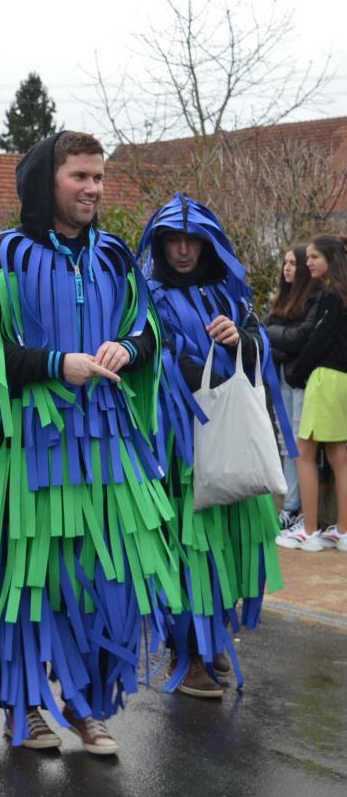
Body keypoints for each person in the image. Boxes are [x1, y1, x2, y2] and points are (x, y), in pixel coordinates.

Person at [0, 131, 179, 754]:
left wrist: (130, 348)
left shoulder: (116, 256)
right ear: (48, 179)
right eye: (80, 176)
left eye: (99, 177)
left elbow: (148, 331)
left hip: (108, 445)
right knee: (29, 582)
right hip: (32, 451)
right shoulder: (3, 254)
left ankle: (86, 706)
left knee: (109, 579)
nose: (93, 189)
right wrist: (56, 364)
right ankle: (25, 708)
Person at [137, 193, 288, 696]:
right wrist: (189, 379)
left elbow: (259, 345)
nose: (183, 250)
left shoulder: (231, 294)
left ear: (207, 243)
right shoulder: (146, 295)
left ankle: (212, 634)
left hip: (231, 440)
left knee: (229, 544)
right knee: (190, 548)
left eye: (192, 240)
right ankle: (188, 653)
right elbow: (147, 356)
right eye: (173, 241)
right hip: (181, 445)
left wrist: (239, 340)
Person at [279, 235, 347, 552]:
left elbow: (318, 340)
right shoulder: (342, 294)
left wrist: (296, 372)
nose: (308, 263)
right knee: (338, 456)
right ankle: (343, 531)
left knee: (304, 453)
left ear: (330, 259)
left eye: (314, 257)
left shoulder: (331, 295)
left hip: (324, 378)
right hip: (342, 379)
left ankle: (308, 530)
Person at [264, 245, 319, 530]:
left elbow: (300, 340)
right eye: (284, 262)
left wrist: (278, 339)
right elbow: (266, 335)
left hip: (300, 379)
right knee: (286, 444)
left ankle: (296, 509)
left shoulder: (311, 299)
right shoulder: (277, 301)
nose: (287, 268)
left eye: (292, 263)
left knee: (300, 444)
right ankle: (289, 507)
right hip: (280, 377)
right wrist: (281, 342)